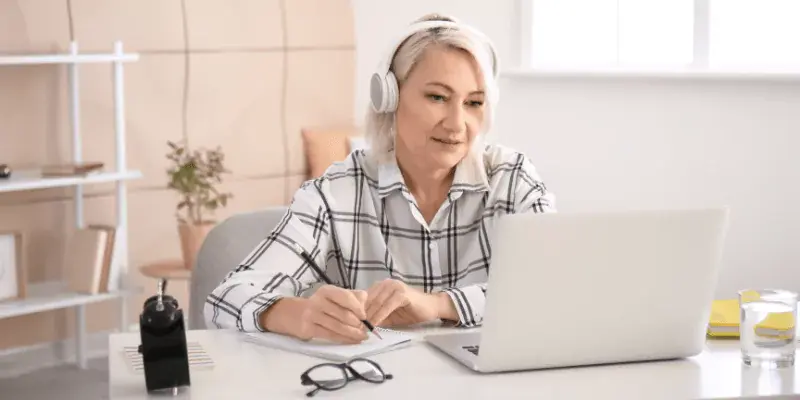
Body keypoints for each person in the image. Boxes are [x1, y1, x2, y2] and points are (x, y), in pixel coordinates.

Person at [204, 13, 556, 344]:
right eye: (437, 97)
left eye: (474, 103)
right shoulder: (337, 193)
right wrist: (301, 314)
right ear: (388, 96)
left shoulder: (513, 181)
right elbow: (225, 300)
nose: (456, 123)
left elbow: (552, 293)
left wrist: (435, 305)